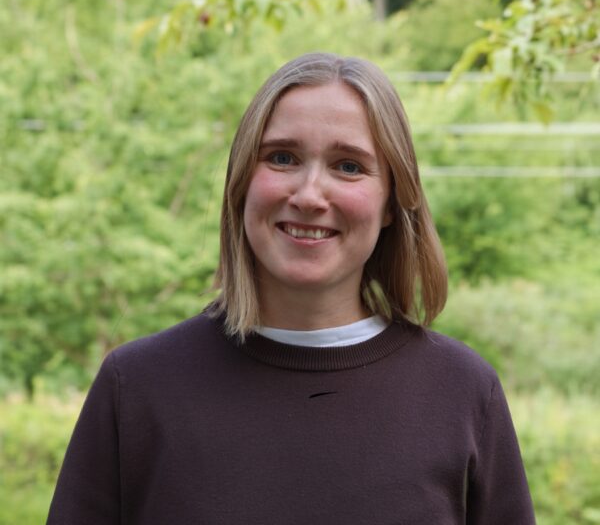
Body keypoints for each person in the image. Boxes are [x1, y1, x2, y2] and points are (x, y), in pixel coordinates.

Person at [47, 53, 535, 524]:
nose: (308, 195)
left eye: (348, 166)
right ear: (242, 182)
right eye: (282, 158)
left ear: (392, 201)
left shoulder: (463, 393)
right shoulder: (136, 389)